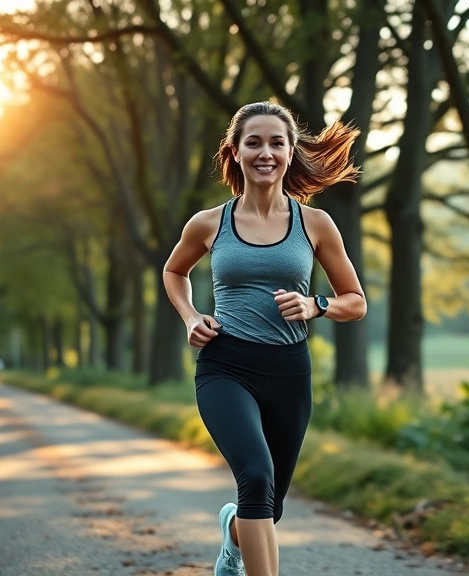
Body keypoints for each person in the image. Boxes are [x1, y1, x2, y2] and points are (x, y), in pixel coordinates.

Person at [162, 101, 367, 576]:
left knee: (267, 506)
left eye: (277, 142)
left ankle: (234, 534)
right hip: (225, 365)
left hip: (289, 370)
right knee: (255, 476)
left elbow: (354, 300)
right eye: (253, 142)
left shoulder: (314, 224)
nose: (265, 152)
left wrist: (317, 305)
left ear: (292, 151)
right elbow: (175, 271)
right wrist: (191, 316)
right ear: (234, 151)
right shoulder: (209, 223)